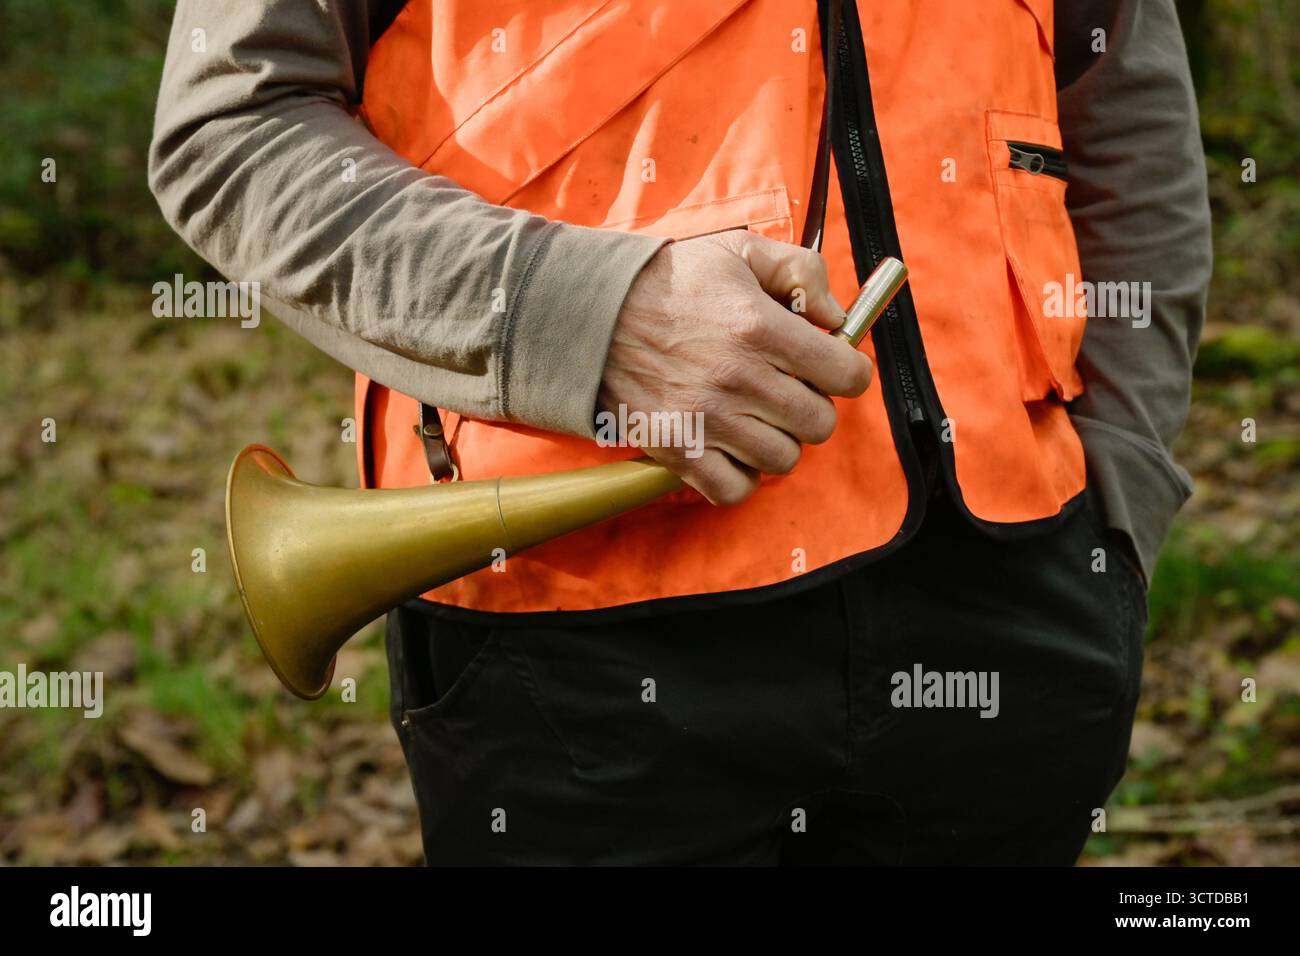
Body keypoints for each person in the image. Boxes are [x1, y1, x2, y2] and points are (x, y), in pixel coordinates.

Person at [150, 0, 1211, 865]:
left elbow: (1121, 102)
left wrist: (1119, 496)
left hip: (1015, 597)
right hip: (573, 638)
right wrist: (591, 318)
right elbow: (231, 128)